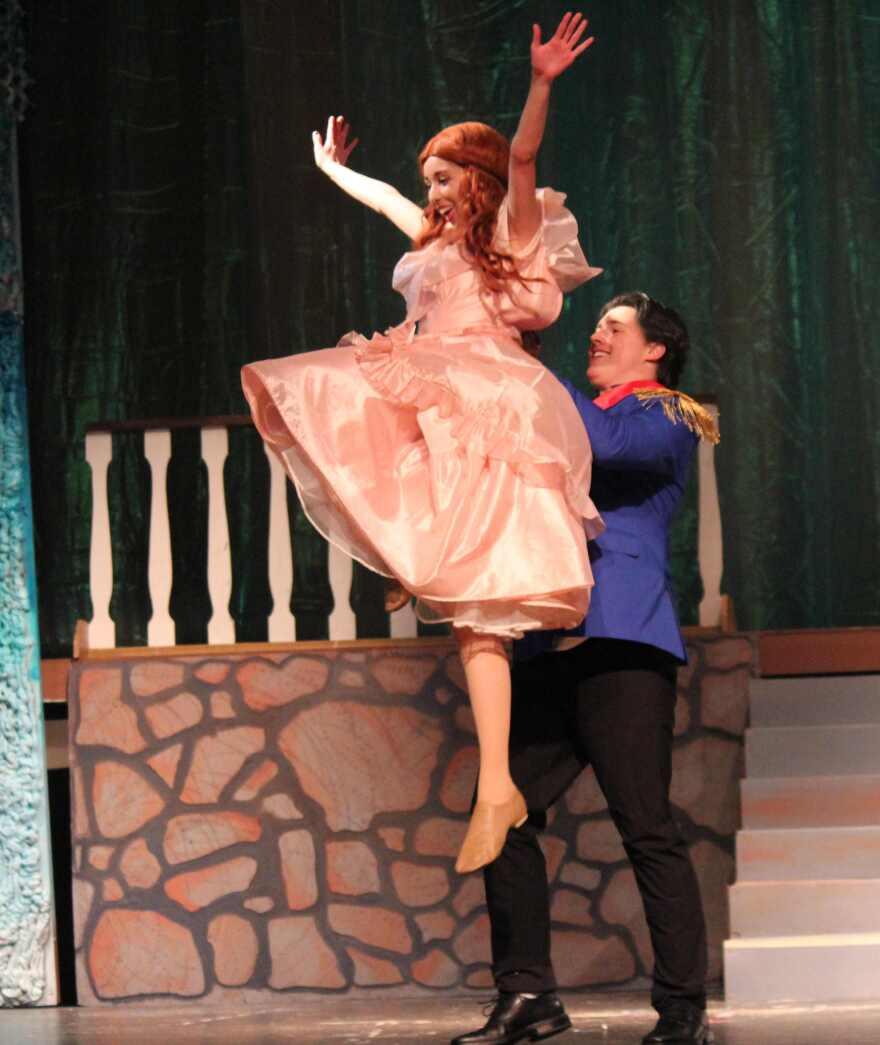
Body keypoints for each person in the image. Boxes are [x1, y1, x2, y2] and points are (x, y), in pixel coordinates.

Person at [241, 14, 603, 874]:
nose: (433, 191)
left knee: (483, 608)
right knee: (466, 605)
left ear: (473, 180)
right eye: (429, 180)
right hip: (435, 394)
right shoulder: (433, 238)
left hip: (486, 400)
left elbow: (521, 159)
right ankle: (495, 782)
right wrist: (335, 171)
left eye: (445, 178)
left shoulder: (510, 233)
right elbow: (388, 203)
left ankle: (495, 784)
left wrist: (542, 83)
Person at [453, 293, 718, 1045]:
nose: (595, 334)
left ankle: (682, 1008)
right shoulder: (577, 410)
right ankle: (528, 993)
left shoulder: (668, 414)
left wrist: (528, 363)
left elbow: (597, 443)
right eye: (596, 324)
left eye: (614, 326)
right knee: (500, 808)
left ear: (656, 348)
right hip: (552, 641)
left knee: (646, 825)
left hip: (622, 644)